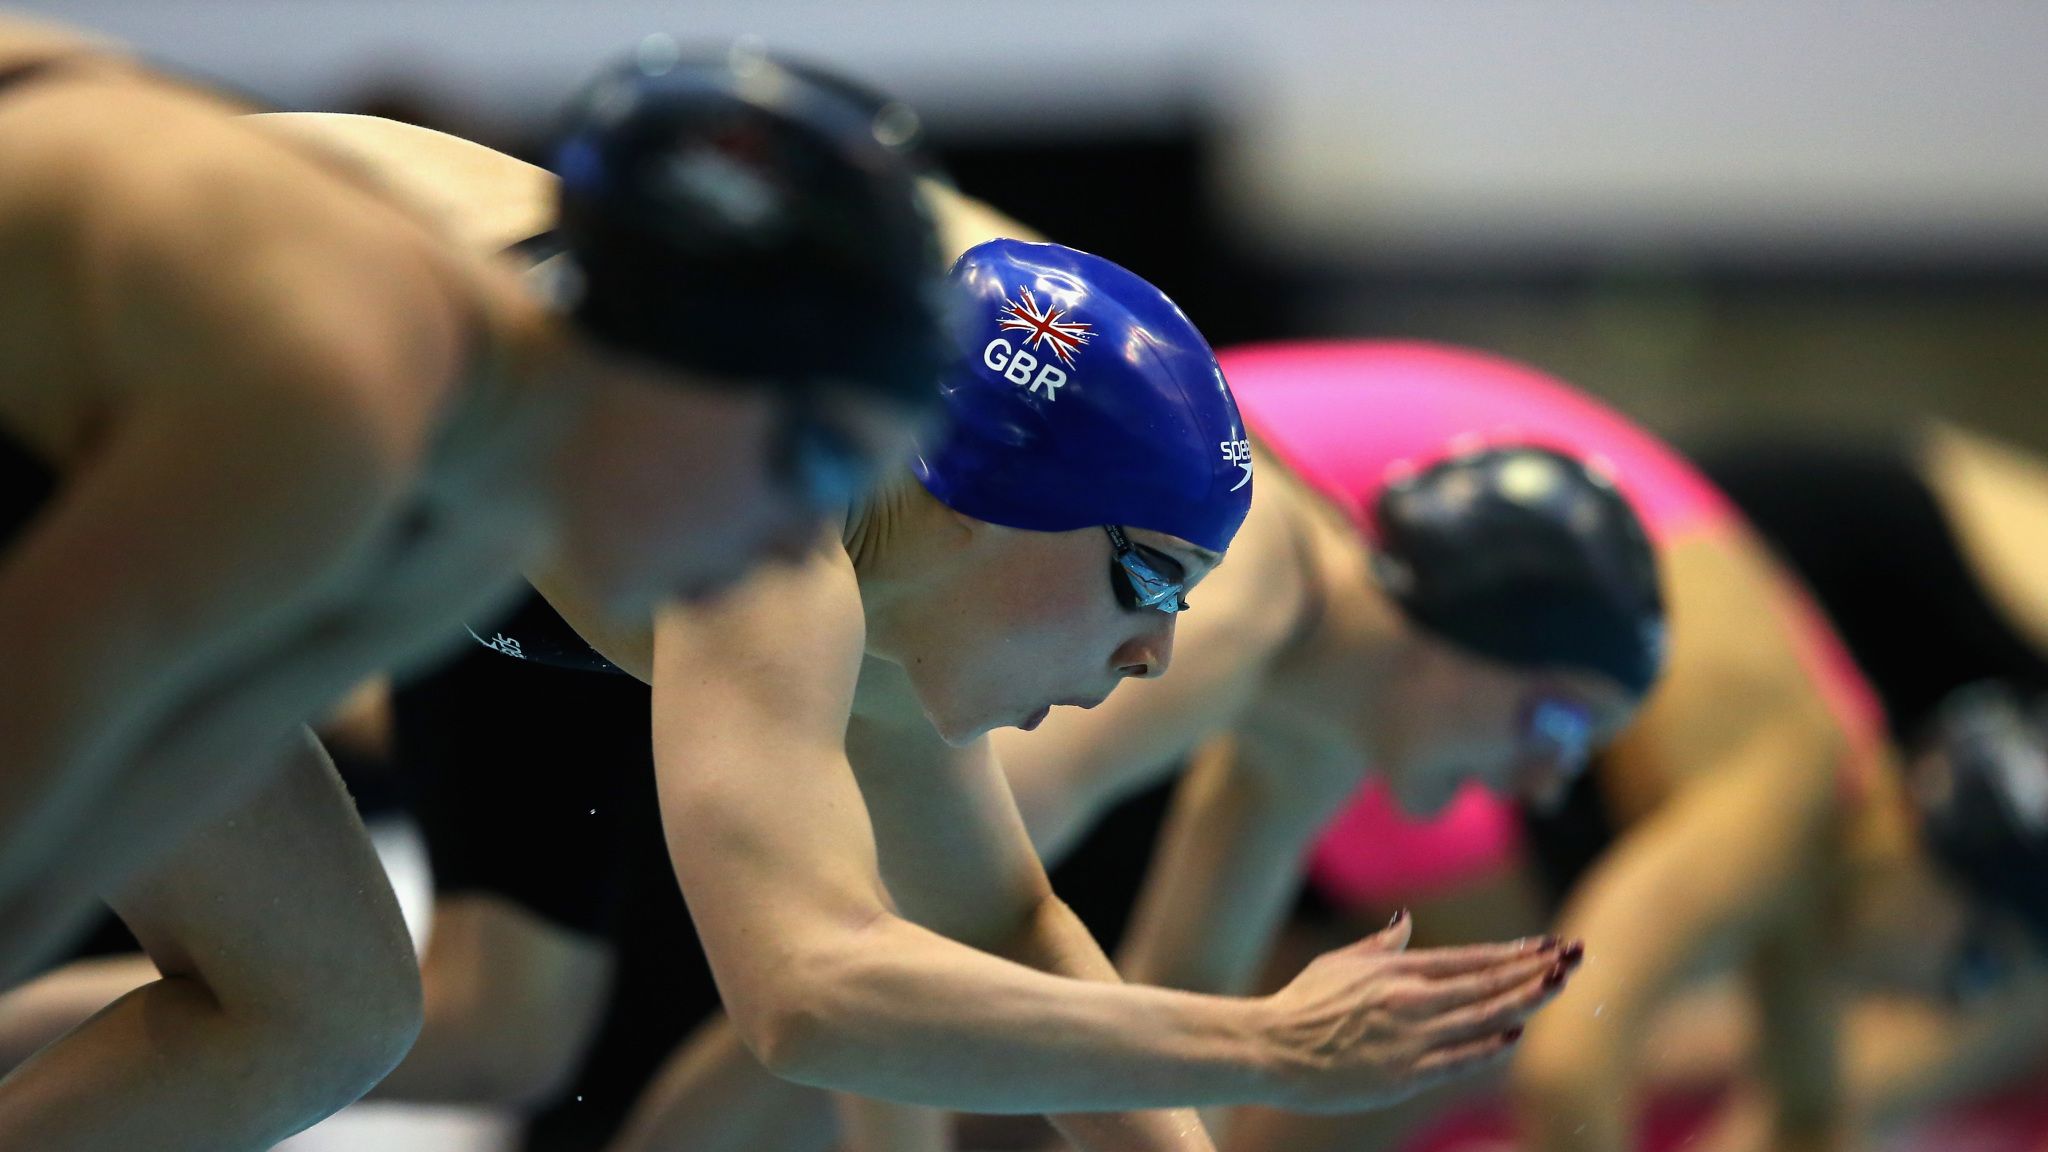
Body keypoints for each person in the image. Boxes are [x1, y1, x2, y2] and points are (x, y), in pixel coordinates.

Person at [0, 18, 948, 1147]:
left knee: (324, 1010)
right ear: (685, 361)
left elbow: (111, 813)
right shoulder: (332, 397)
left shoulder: (464, 533)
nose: (805, 545)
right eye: (823, 463)